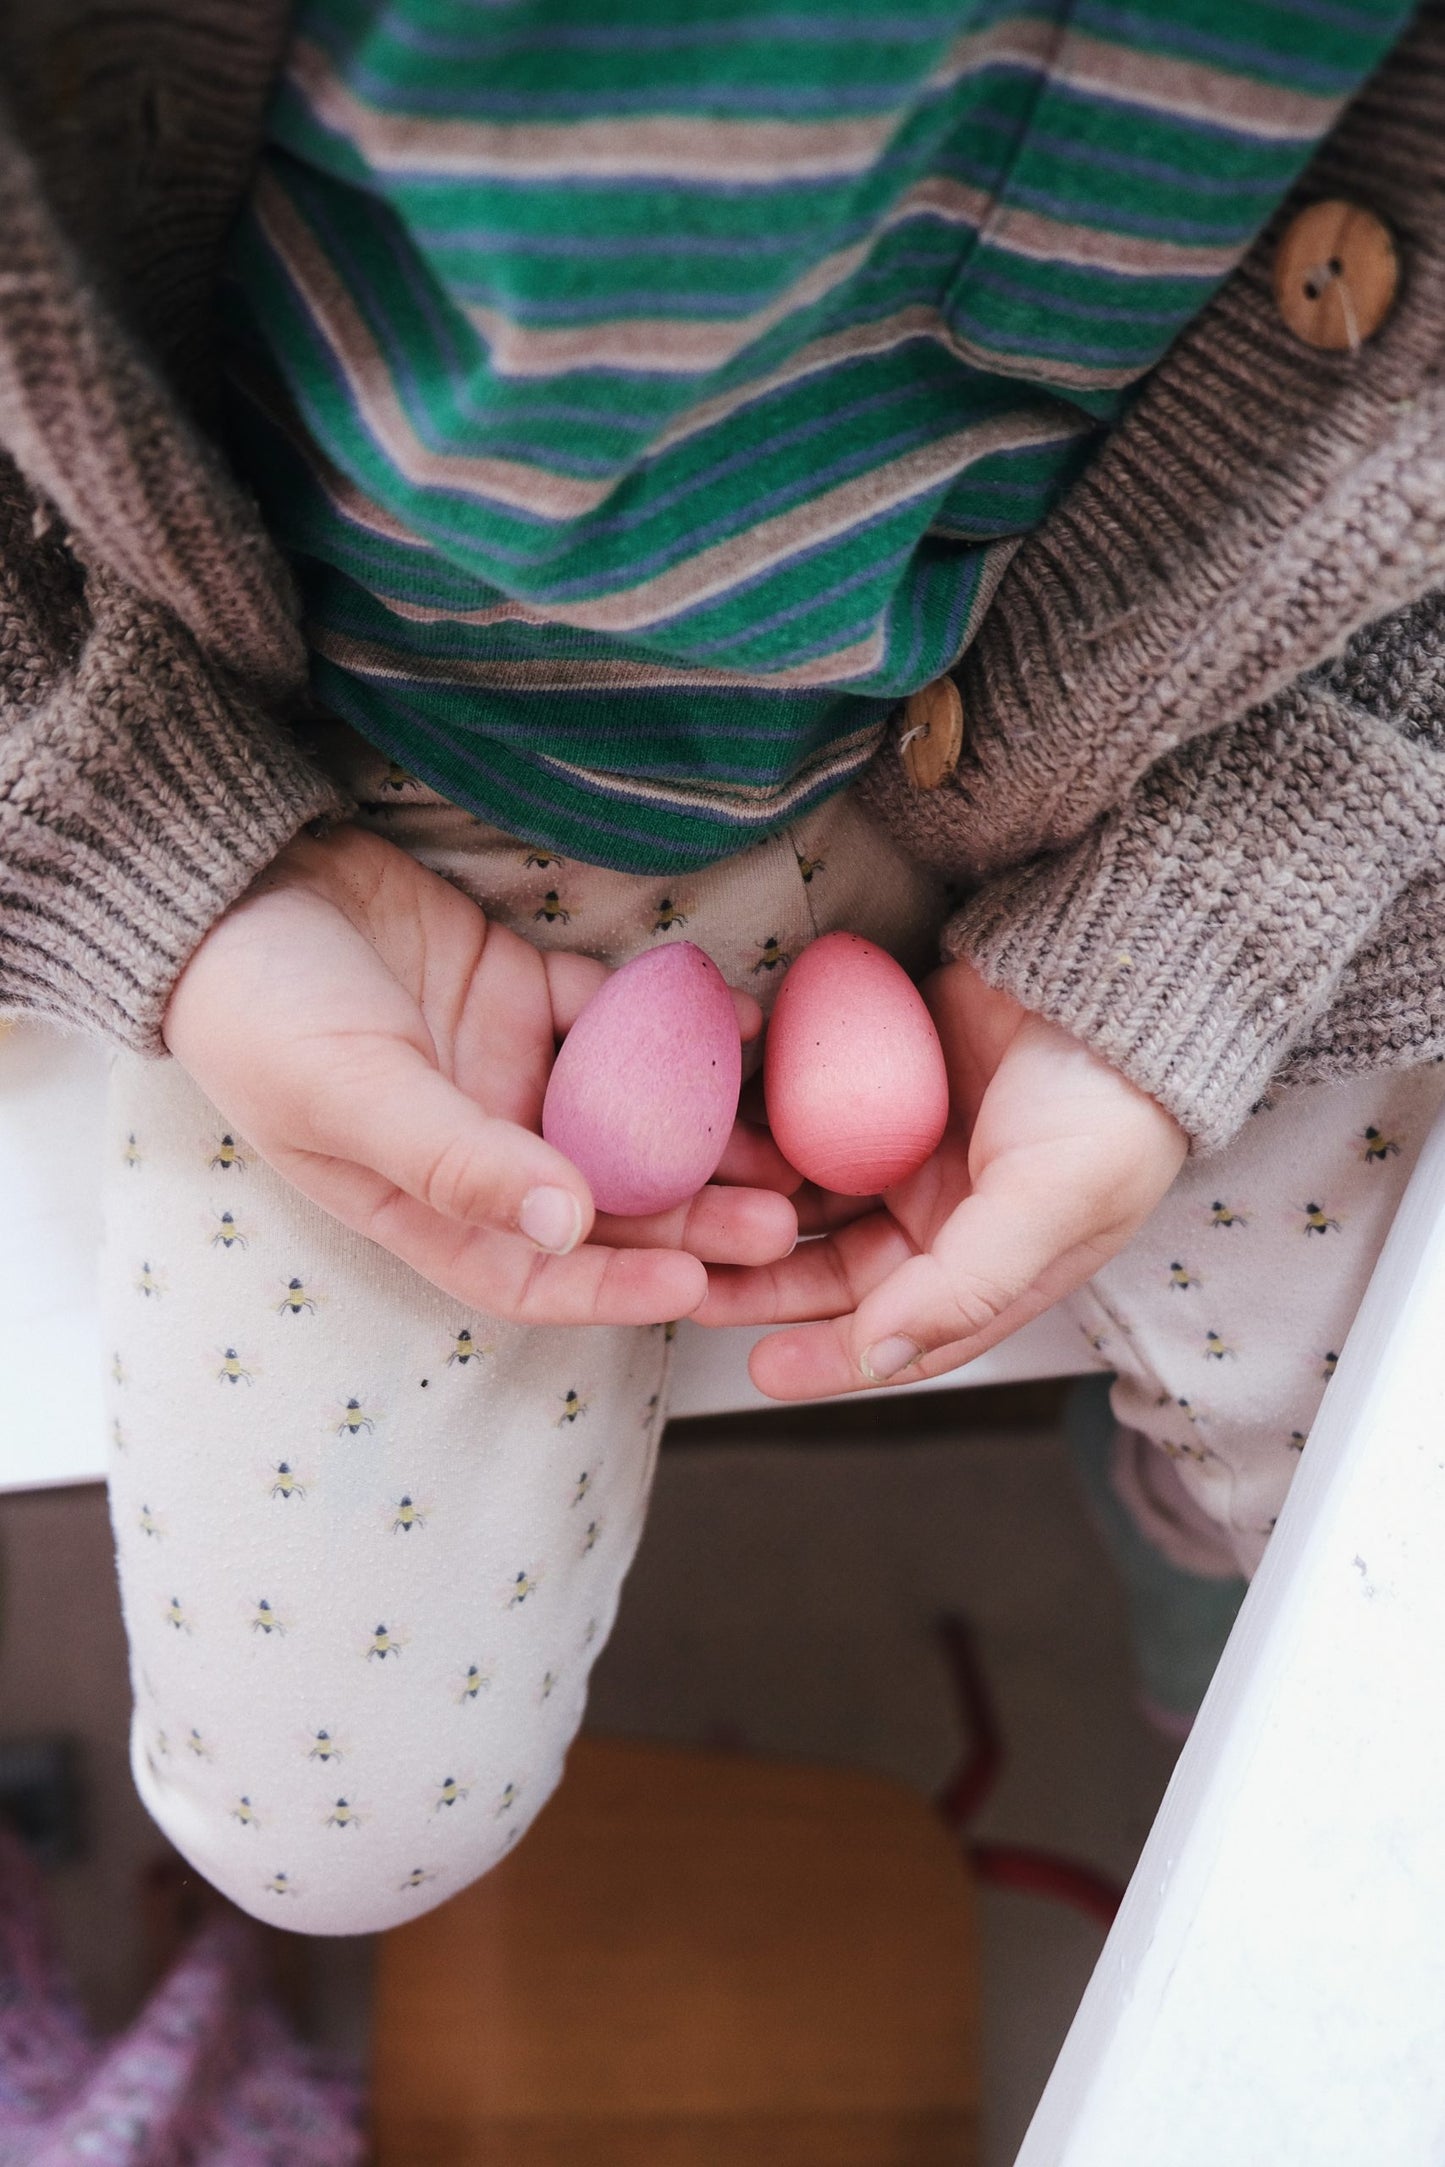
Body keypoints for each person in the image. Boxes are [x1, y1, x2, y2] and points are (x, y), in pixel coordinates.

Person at [1, 0, 1441, 1932]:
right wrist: (169, 863)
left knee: (1375, 1598)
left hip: (1208, 734)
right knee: (324, 1832)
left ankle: (1187, 1556)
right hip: (377, 796)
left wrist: (1200, 921)